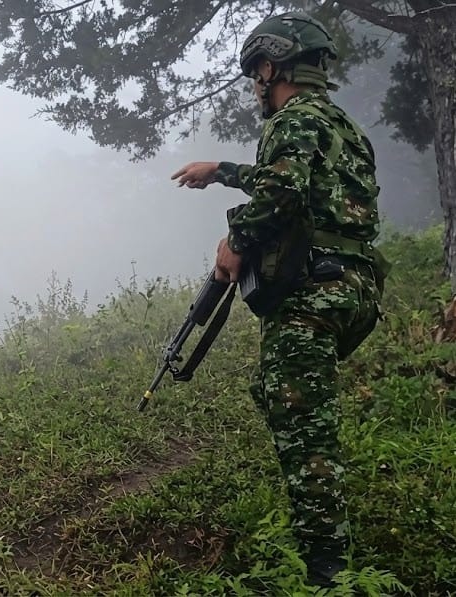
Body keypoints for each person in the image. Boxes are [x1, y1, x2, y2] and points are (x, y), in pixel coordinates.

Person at [170, 12, 387, 588]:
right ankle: (324, 508)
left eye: (254, 75)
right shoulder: (340, 125)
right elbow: (297, 180)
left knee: (304, 430)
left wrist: (236, 240)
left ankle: (325, 574)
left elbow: (281, 191)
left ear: (270, 67)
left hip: (312, 292)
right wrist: (221, 171)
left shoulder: (291, 120)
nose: (254, 87)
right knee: (277, 393)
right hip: (354, 289)